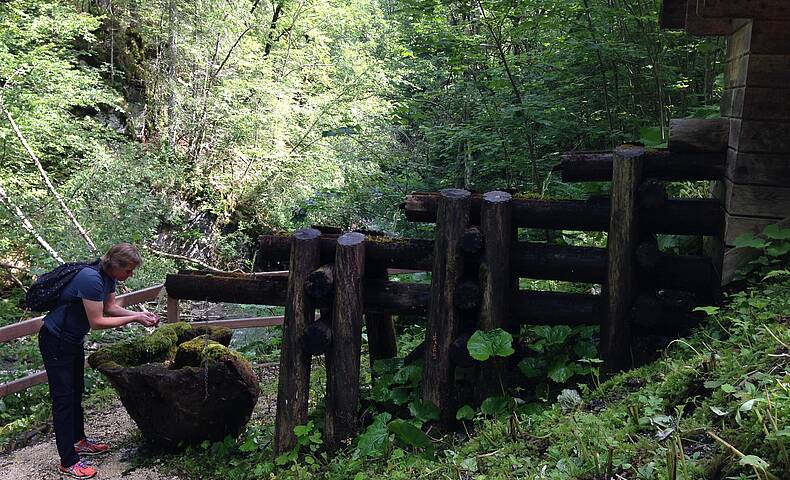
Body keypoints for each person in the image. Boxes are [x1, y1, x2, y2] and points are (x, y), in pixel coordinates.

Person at [37, 243, 159, 479]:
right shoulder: (90, 278)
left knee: (76, 392)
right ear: (116, 265)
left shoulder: (107, 276)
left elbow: (110, 307)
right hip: (56, 341)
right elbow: (98, 321)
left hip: (72, 341)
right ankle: (68, 460)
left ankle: (78, 441)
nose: (130, 275)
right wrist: (134, 319)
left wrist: (140, 315)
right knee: (63, 398)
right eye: (129, 270)